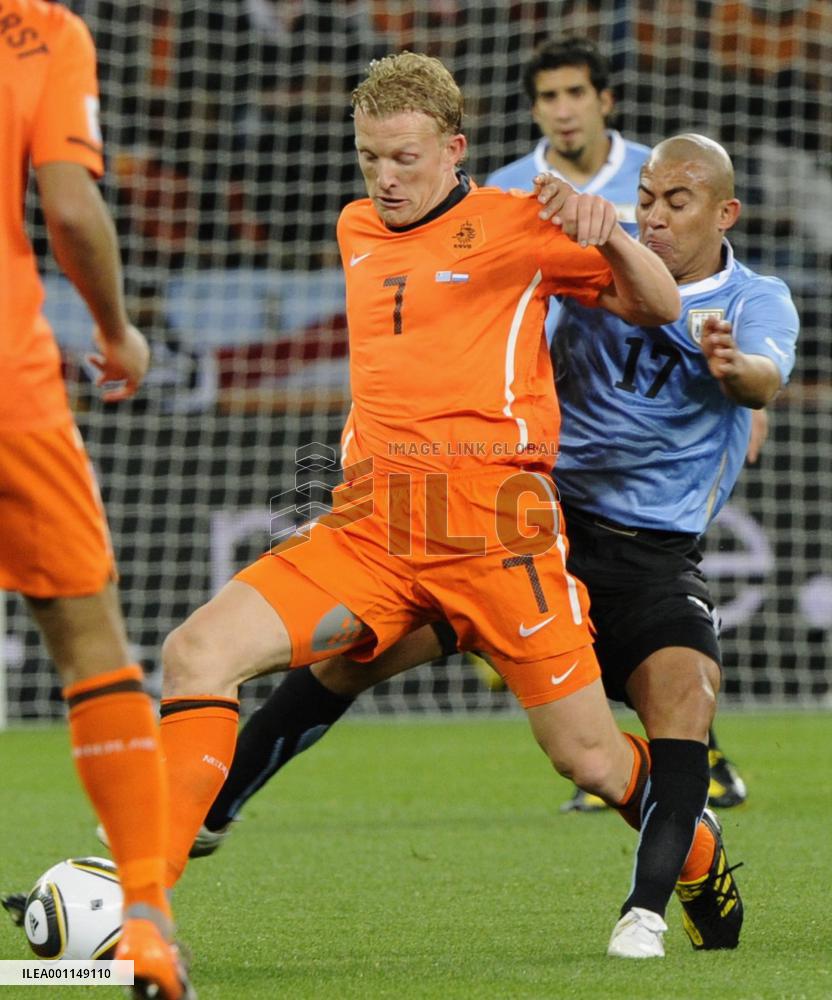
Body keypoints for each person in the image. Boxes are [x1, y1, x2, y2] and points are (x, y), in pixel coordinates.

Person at [193, 133, 799, 958]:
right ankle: (211, 810)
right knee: (347, 660)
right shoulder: (592, 264)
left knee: (666, 718)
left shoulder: (757, 299)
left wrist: (739, 378)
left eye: (676, 203)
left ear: (724, 212)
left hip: (654, 558)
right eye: (646, 198)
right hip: (527, 524)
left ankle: (660, 898)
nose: (653, 216)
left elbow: (763, 376)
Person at [490, 34, 749, 812]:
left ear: (605, 100)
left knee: (643, 610)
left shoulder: (660, 173)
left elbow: (717, 284)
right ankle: (630, 760)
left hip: (646, 441)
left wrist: (741, 401)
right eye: (548, 97)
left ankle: (675, 760)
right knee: (527, 606)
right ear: (535, 109)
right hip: (543, 432)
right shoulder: (509, 188)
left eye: (576, 93)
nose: (563, 110)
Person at [0, 3, 192, 997]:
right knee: (90, 646)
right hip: (11, 385)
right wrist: (119, 333)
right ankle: (149, 927)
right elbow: (71, 210)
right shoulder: (40, 32)